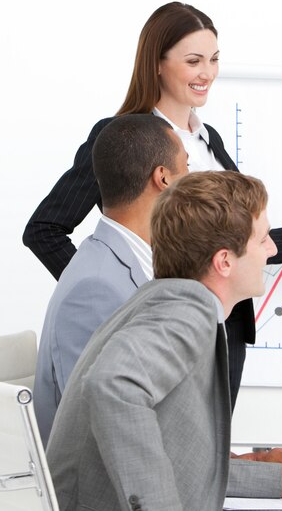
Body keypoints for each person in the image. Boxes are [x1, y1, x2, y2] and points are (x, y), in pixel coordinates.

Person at [23, 1, 282, 407]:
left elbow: (227, 244)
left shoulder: (208, 139)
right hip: (164, 330)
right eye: (194, 60)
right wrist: (125, 301)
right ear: (158, 64)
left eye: (214, 60)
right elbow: (44, 230)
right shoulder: (125, 139)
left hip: (224, 329)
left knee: (205, 459)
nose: (207, 73)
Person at [46, 170, 282, 511]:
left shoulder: (164, 300)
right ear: (224, 261)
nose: (272, 248)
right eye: (263, 239)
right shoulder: (188, 309)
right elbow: (113, 383)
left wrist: (281, 480)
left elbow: (183, 462)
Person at [33, 114, 189, 447]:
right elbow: (108, 435)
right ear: (162, 177)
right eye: (186, 168)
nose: (192, 180)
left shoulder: (128, 264)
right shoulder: (96, 288)